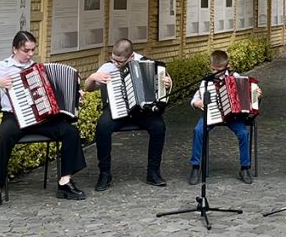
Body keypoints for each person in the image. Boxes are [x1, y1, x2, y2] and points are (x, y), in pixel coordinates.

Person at [0, 31, 87, 209]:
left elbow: (56, 92)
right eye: (26, 50)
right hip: (15, 117)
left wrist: (75, 92)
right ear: (15, 49)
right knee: (2, 137)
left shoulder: (38, 69)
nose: (30, 54)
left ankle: (65, 183)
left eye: (33, 50)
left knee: (70, 132)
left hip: (40, 118)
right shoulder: (3, 66)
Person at [84, 38, 173, 191]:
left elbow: (163, 84)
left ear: (131, 57)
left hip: (141, 112)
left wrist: (167, 83)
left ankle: (153, 172)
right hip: (117, 109)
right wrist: (92, 78)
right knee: (102, 127)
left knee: (159, 126)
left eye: (119, 62)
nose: (115, 64)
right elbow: (88, 88)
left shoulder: (146, 63)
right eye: (113, 59)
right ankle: (104, 173)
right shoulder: (108, 67)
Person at [188, 49, 262, 185]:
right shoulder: (206, 82)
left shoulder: (236, 77)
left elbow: (249, 95)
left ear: (227, 66)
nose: (216, 73)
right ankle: (195, 167)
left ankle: (244, 168)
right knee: (198, 131)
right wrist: (196, 103)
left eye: (219, 70)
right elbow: (194, 99)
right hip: (212, 114)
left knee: (243, 133)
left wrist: (256, 93)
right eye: (213, 69)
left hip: (232, 117)